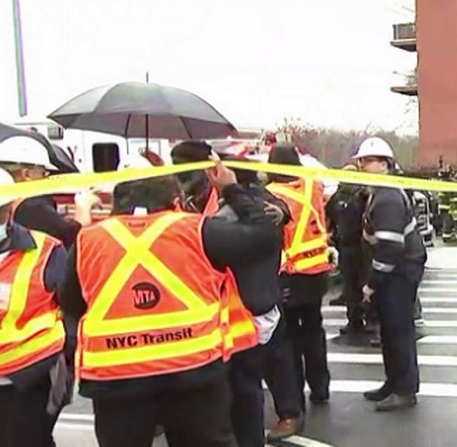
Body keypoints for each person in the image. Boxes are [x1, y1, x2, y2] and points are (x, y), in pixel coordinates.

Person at [59, 160, 280, 447]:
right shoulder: (196, 230)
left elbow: (71, 303)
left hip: (116, 382)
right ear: (175, 201)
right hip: (192, 377)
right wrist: (230, 189)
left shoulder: (88, 240)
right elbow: (264, 235)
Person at [0, 164, 68, 447]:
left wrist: (62, 373)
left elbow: (73, 310)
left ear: (12, 207)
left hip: (23, 383)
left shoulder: (46, 250)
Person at [214, 153, 293, 447]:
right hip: (266, 297)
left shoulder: (232, 215)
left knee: (246, 383)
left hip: (245, 308)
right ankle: (287, 413)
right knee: (273, 366)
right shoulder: (266, 202)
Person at [354, 136, 427, 412]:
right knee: (389, 331)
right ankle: (393, 382)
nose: (363, 166)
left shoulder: (387, 197)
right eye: (362, 161)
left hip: (400, 270)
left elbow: (390, 249)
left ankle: (405, 390)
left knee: (398, 332)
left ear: (385, 164)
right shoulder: (379, 192)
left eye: (369, 161)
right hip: (397, 268)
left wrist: (371, 285)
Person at [264, 144, 332, 440]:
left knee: (288, 339)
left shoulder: (272, 195)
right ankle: (320, 387)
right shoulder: (312, 187)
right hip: (317, 270)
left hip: (291, 274)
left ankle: (296, 399)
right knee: (314, 330)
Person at [325, 164, 372, 336]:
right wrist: (330, 234)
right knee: (350, 287)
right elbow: (327, 215)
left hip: (362, 246)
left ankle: (371, 320)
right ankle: (354, 321)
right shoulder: (337, 197)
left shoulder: (362, 196)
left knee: (365, 284)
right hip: (345, 247)